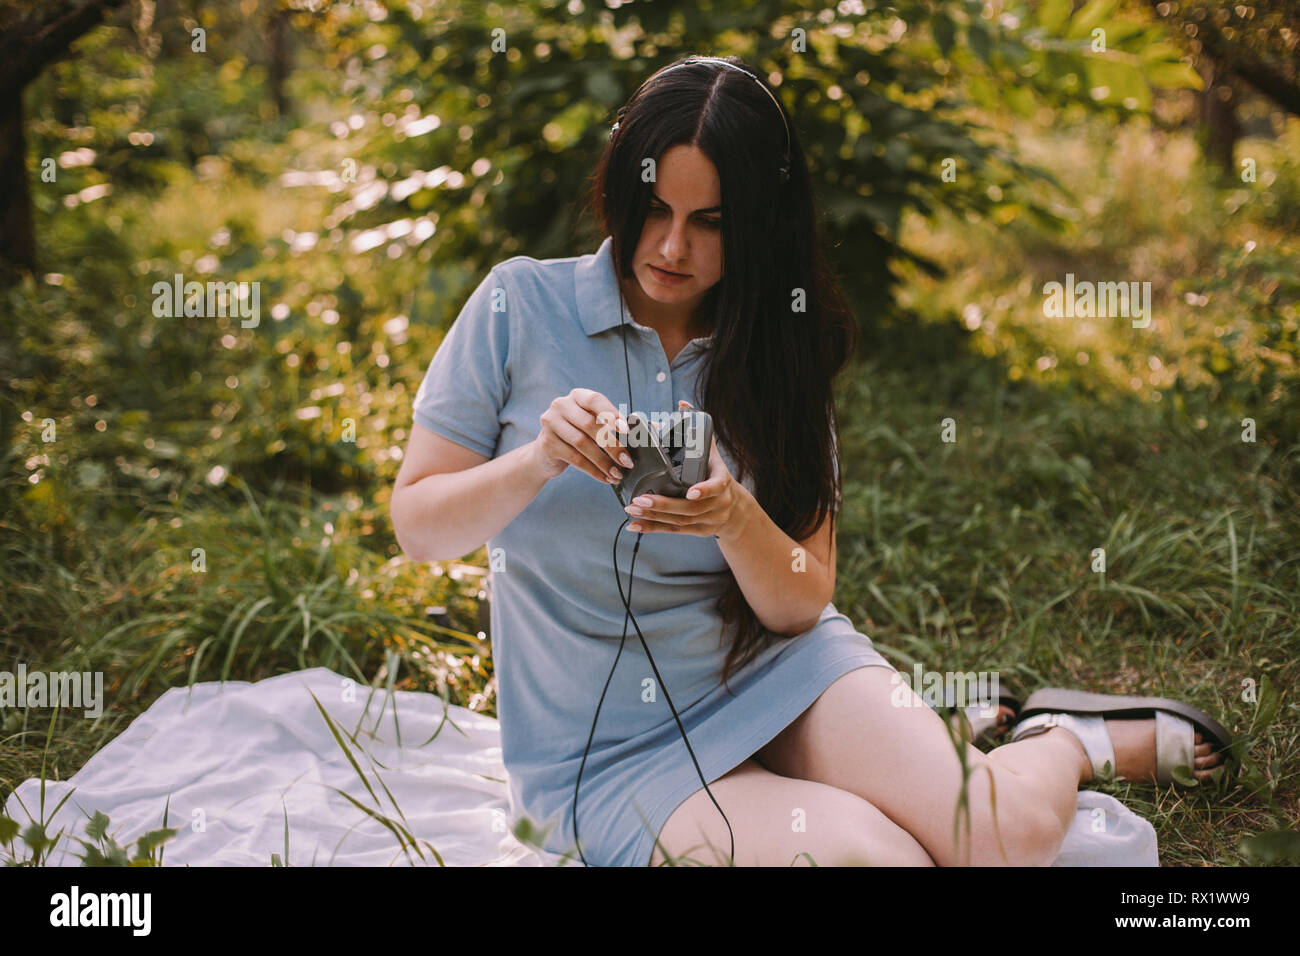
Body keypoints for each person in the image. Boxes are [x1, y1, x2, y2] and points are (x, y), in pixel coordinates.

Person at [390, 55, 1226, 867]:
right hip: (608, 756)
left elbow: (799, 600)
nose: (672, 247)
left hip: (775, 673)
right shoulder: (519, 304)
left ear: (759, 224)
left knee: (996, 840)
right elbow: (419, 526)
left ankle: (1061, 741)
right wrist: (537, 459)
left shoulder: (775, 345)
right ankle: (946, 740)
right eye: (654, 208)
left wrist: (732, 516)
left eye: (711, 222)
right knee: (879, 861)